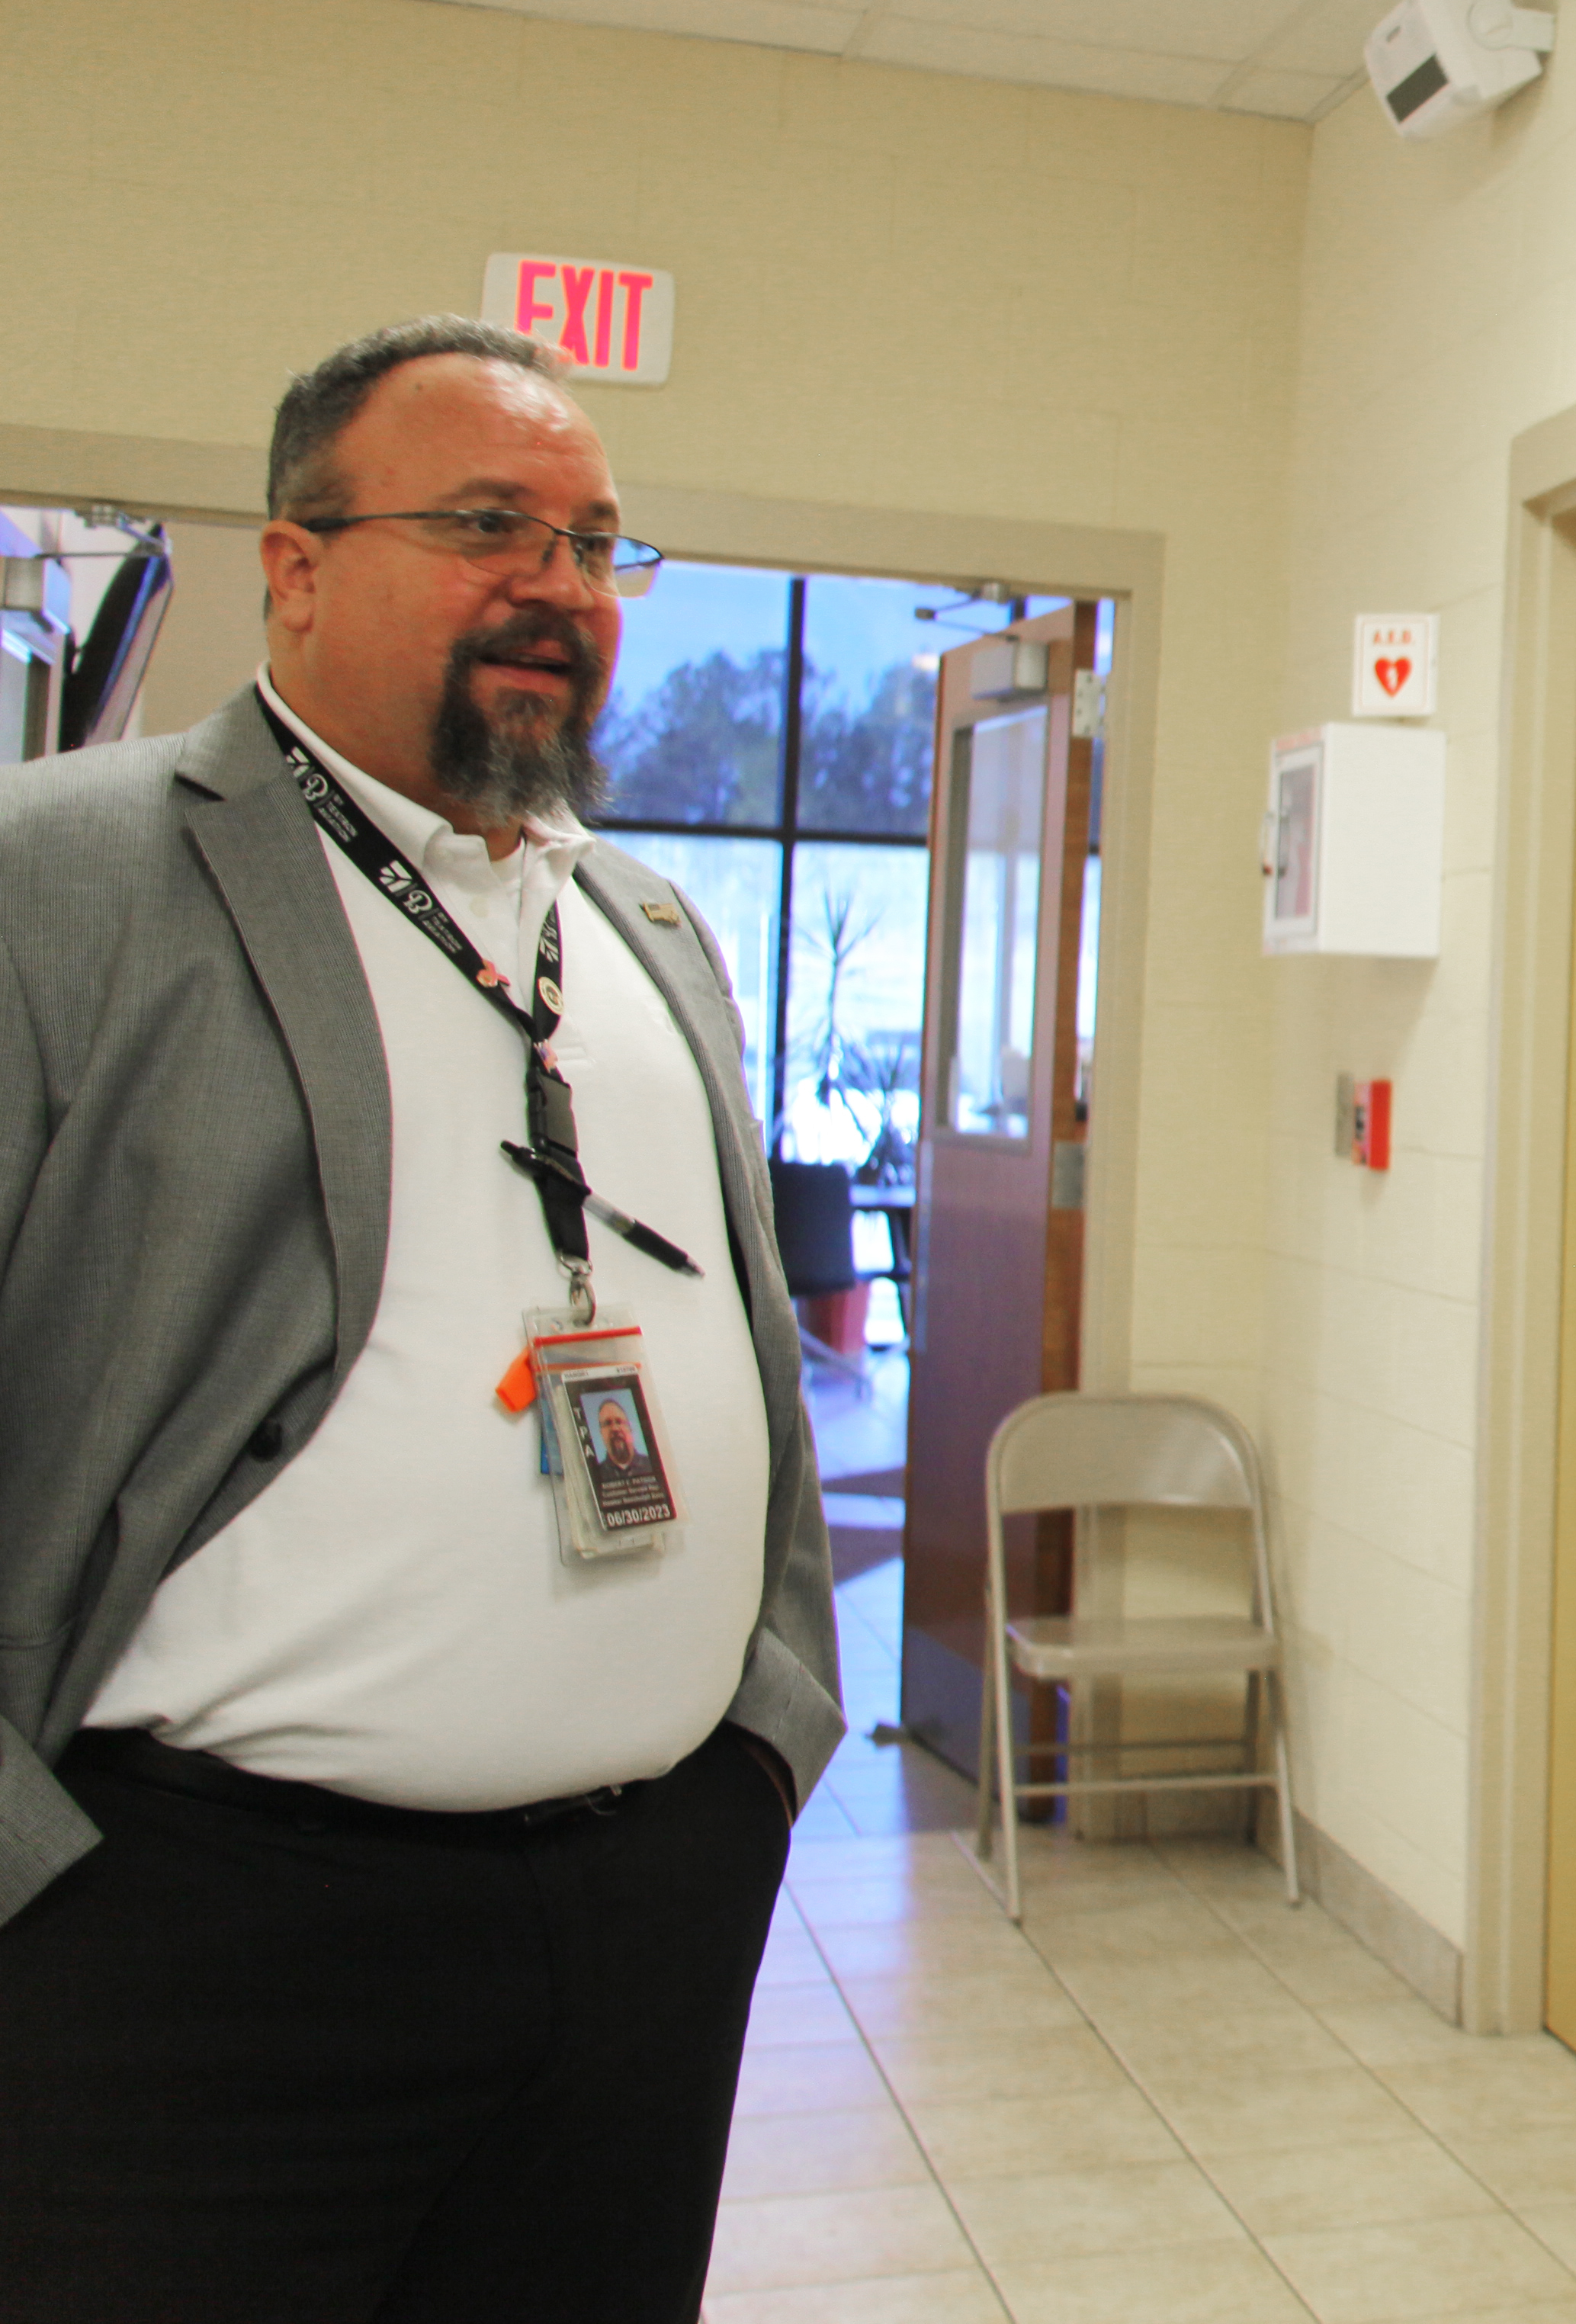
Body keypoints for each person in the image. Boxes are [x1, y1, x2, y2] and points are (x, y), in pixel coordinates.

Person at [0, 318, 841, 2320]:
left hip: (646, 1917)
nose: (554, 583)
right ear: (292, 562)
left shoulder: (645, 930)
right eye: (486, 524)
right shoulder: (69, 884)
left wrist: (762, 1748)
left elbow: (745, 1345)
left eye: (595, 542)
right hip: (194, 1932)